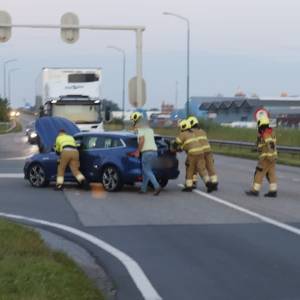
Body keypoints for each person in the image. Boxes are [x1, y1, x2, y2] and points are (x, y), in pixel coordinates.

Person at [175, 119, 213, 192]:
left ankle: (189, 186)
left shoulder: (183, 134)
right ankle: (208, 183)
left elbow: (176, 143)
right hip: (201, 152)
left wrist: (175, 147)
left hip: (192, 154)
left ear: (182, 127)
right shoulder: (192, 133)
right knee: (202, 169)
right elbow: (188, 144)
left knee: (190, 169)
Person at [130, 112, 162, 196]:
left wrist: (137, 151)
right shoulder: (149, 129)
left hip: (147, 152)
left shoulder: (141, 129)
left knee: (147, 170)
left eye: (134, 121)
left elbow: (142, 141)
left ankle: (157, 186)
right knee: (146, 171)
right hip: (154, 152)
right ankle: (143, 189)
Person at [245, 116, 278, 197]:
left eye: (259, 125)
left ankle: (255, 190)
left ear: (262, 126)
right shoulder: (271, 133)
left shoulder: (265, 134)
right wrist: (257, 149)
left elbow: (269, 144)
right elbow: (265, 145)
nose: (258, 127)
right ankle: (273, 191)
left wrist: (268, 156)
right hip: (273, 157)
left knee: (259, 173)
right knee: (271, 174)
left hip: (266, 158)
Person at [187, 116, 219, 191]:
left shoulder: (191, 133)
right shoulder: (202, 131)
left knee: (194, 167)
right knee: (210, 167)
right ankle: (214, 182)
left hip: (199, 152)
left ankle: (193, 182)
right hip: (208, 151)